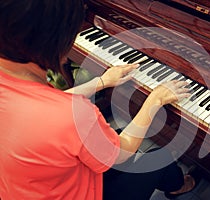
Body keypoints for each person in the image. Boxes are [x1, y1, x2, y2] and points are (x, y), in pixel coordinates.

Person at [0, 0, 198, 199]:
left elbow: (39, 106)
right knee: (161, 157)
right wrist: (154, 99)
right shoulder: (70, 114)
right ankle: (179, 186)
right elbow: (120, 154)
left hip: (27, 186)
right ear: (51, 40)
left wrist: (101, 82)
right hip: (79, 193)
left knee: (113, 133)